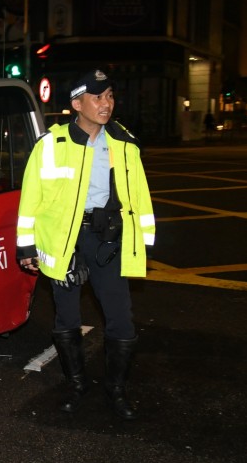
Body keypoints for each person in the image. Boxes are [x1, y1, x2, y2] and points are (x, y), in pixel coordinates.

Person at [16, 68, 156, 420]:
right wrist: (27, 247)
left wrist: (140, 242)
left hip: (107, 240)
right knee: (67, 318)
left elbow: (139, 197)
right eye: (97, 97)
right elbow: (31, 200)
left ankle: (116, 389)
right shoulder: (51, 144)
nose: (106, 104)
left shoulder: (125, 143)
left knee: (121, 321)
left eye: (109, 96)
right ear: (77, 103)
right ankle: (76, 385)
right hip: (65, 242)